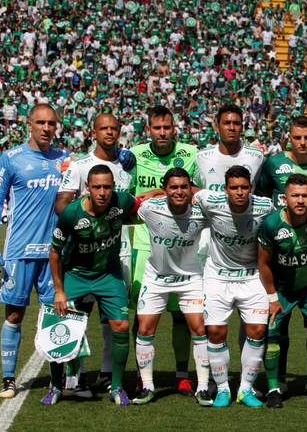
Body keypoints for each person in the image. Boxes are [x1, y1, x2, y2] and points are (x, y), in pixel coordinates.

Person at [0, 104, 69, 398]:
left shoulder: (65, 159)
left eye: (51, 123)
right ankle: (9, 378)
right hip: (18, 251)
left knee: (56, 315)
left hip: (54, 252)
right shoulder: (11, 158)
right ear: (29, 124)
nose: (47, 128)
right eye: (41, 122)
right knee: (14, 315)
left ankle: (57, 378)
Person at [56, 112, 135, 395]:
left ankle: (105, 373)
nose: (110, 133)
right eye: (104, 128)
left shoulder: (127, 163)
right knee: (80, 315)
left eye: (114, 128)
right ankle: (74, 377)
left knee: (112, 318)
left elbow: (132, 203)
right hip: (84, 250)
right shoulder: (80, 166)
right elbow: (62, 204)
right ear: (94, 131)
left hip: (119, 249)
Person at [257, 115, 307, 389]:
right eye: (297, 137)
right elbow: (260, 196)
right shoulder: (273, 163)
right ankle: (275, 383)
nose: (303, 143)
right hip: (281, 255)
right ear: (288, 138)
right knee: (276, 327)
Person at [128, 105, 200, 396]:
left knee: (182, 315)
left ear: (174, 129)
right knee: (143, 316)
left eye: (167, 128)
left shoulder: (190, 154)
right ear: (148, 130)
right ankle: (142, 376)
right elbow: (129, 198)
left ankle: (182, 374)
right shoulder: (134, 155)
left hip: (183, 246)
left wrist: (157, 193)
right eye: (156, 128)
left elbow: (197, 193)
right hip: (144, 246)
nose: (162, 133)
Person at [196, 166, 273, 408]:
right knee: (216, 333)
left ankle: (245, 389)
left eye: (244, 187)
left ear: (250, 188)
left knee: (258, 331)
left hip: (251, 277)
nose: (239, 192)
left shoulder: (264, 206)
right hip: (217, 277)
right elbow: (188, 192)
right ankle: (222, 390)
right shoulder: (210, 200)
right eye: (234, 188)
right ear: (226, 189)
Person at [132, 168, 209, 406]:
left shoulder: (201, 213)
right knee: (144, 329)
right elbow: (131, 205)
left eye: (184, 187)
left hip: (190, 279)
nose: (179, 191)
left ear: (190, 189)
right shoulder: (150, 209)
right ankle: (147, 386)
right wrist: (154, 192)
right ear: (165, 190)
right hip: (156, 277)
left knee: (199, 329)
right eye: (173, 187)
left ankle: (204, 387)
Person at [257, 173, 307, 410]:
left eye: (306, 196)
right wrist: (271, 298)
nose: (301, 201)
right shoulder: (271, 224)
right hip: (281, 289)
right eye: (295, 196)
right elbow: (263, 264)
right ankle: (273, 388)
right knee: (272, 332)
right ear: (284, 198)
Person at [194, 105, 265, 192]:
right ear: (217, 127)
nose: (232, 128)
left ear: (242, 128)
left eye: (236, 123)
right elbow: (197, 191)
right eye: (227, 123)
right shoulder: (201, 157)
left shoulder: (257, 157)